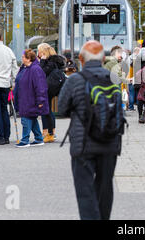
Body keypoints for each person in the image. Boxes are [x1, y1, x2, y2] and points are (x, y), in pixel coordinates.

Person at [58, 40, 122, 220]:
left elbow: (61, 109)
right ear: (103, 58)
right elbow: (118, 109)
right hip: (110, 141)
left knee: (85, 190)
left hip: (83, 143)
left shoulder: (76, 80)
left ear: (81, 59)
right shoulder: (112, 79)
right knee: (105, 187)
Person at [14, 49, 48, 148]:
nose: (22, 58)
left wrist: (41, 100)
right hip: (26, 97)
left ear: (29, 59)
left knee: (26, 118)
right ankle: (38, 138)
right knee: (32, 118)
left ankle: (25, 140)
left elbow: (40, 86)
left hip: (30, 98)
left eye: (23, 57)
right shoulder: (26, 68)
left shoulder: (35, 69)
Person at [38, 43, 65, 143]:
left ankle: (49, 133)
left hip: (48, 88)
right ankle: (50, 132)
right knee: (47, 110)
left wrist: (42, 61)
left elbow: (40, 72)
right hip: (53, 87)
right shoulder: (55, 61)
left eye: (39, 52)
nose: (38, 54)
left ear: (43, 52)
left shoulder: (50, 62)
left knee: (46, 110)